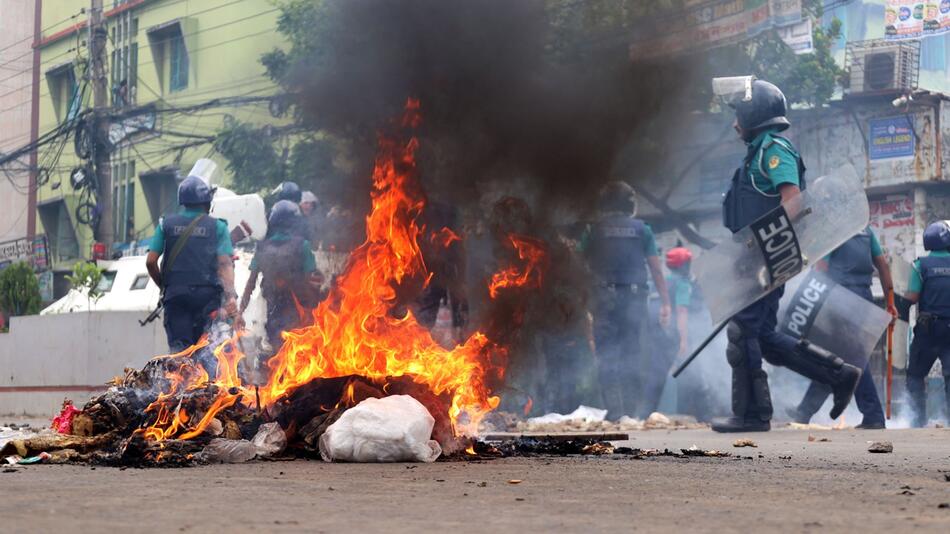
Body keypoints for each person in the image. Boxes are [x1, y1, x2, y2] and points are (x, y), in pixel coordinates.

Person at [711, 78, 861, 433]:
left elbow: (792, 202)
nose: (735, 124)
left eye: (739, 116)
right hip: (757, 259)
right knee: (763, 337)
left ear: (756, 114)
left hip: (765, 259)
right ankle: (838, 375)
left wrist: (761, 248)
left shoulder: (774, 149)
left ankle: (751, 415)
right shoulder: (758, 151)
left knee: (743, 332)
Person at [788, 227, 898, 429]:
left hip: (840, 298)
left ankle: (873, 415)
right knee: (834, 358)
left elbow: (821, 268)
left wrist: (808, 300)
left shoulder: (834, 230)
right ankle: (804, 411)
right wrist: (890, 301)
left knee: (850, 359)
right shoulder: (867, 231)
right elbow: (882, 265)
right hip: (863, 297)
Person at [582, 181, 671, 420]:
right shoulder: (643, 230)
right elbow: (656, 269)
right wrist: (666, 302)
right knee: (632, 353)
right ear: (630, 204)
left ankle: (614, 411)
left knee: (606, 354)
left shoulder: (593, 230)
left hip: (602, 298)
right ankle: (630, 414)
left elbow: (578, 266)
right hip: (633, 298)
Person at [145, 175, 237, 352]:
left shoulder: (166, 225)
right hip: (208, 299)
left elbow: (150, 262)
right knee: (209, 351)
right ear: (207, 202)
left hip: (176, 298)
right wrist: (231, 296)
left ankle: (182, 379)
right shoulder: (218, 227)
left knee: (181, 355)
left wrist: (164, 286)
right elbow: (225, 264)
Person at [238, 200, 323, 352]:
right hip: (298, 312)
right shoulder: (302, 246)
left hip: (273, 311)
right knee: (298, 352)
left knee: (276, 351)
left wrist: (240, 312)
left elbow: (251, 283)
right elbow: (311, 281)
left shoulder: (262, 247)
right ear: (295, 222)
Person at [904, 220, 950, 427]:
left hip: (928, 330)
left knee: (915, 375)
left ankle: (917, 421)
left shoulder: (920, 265)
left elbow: (912, 297)